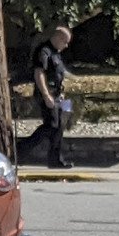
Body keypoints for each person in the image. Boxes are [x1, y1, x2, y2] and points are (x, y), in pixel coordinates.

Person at [20, 25, 73, 169]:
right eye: (65, 41)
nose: (66, 45)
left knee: (58, 127)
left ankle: (55, 160)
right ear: (58, 38)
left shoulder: (56, 53)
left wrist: (62, 93)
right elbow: (39, 73)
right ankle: (20, 150)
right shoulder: (44, 51)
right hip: (47, 95)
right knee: (51, 125)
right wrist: (46, 95)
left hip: (57, 94)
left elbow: (59, 74)